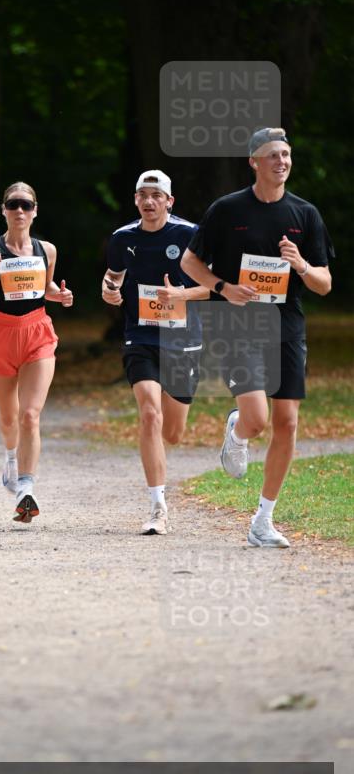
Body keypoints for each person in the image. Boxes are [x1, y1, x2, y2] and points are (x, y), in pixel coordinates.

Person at [181, 127, 333, 548]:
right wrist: (223, 288)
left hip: (287, 327)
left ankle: (263, 521)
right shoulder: (227, 210)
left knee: (287, 423)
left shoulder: (305, 214)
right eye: (272, 155)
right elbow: (190, 262)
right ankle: (239, 431)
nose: (281, 162)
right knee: (258, 418)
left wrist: (301, 265)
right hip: (237, 325)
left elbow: (324, 284)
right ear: (254, 162)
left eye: (286, 154)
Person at [102, 170, 209, 535]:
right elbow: (113, 277)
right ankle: (158, 506)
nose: (149, 201)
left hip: (183, 340)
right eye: (143, 195)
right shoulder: (122, 238)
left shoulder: (190, 235)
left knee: (173, 433)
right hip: (141, 336)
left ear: (169, 201)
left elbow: (216, 286)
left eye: (156, 195)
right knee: (150, 414)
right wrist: (109, 291)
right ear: (136, 200)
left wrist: (181, 294)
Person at [0, 181, 73, 524]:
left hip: (37, 333)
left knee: (30, 415)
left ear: (35, 211)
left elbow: (45, 289)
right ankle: (11, 457)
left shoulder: (47, 250)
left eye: (25, 205)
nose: (19, 210)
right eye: (13, 204)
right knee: (8, 417)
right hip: (0, 333)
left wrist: (61, 296)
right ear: (4, 210)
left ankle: (26, 488)